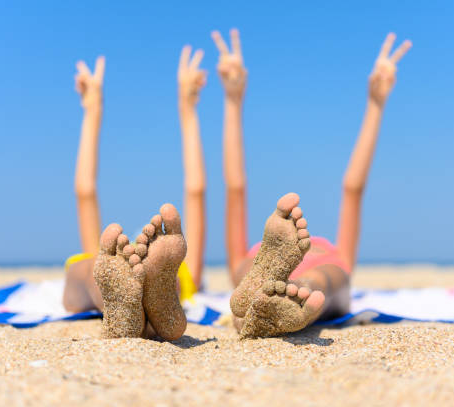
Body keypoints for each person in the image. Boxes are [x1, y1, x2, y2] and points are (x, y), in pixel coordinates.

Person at [204, 30, 412, 337]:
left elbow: (235, 188)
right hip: (317, 272)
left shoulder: (257, 250)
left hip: (258, 262)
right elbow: (353, 189)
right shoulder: (330, 251)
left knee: (246, 269)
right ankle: (299, 291)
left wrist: (233, 102)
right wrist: (375, 106)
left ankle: (261, 297)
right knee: (331, 279)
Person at [61, 56, 191, 340]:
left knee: (83, 273)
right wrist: (188, 110)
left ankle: (122, 305)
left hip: (106, 268)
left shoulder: (105, 256)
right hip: (170, 277)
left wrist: (92, 112)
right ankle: (160, 302)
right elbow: (196, 190)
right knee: (96, 268)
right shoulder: (161, 251)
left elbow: (85, 191)